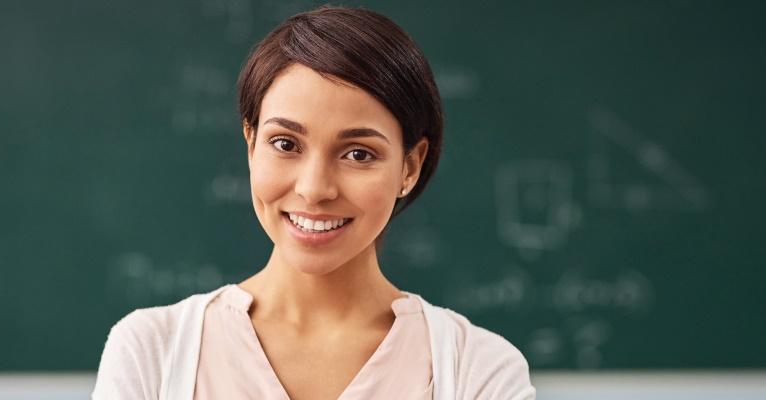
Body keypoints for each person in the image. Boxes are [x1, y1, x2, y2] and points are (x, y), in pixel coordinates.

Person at [92, 5, 534, 400]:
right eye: (285, 143)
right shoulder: (154, 352)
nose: (314, 188)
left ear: (409, 167)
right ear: (251, 144)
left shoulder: (479, 371)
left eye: (358, 154)